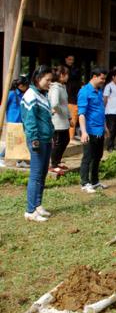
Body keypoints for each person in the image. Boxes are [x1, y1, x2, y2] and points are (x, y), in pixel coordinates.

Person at [21, 66, 54, 222]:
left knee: (42, 174)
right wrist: (34, 139)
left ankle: (37, 205)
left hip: (46, 138)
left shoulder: (43, 95)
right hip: (37, 140)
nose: (50, 83)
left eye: (50, 80)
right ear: (38, 78)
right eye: (47, 80)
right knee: (35, 175)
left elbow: (46, 119)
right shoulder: (30, 94)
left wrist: (51, 135)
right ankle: (30, 210)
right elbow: (30, 120)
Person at [78, 67, 109, 193]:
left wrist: (105, 127)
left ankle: (95, 181)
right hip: (90, 130)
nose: (103, 81)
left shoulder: (99, 91)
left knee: (98, 156)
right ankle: (85, 183)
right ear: (94, 76)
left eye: (104, 79)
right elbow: (81, 114)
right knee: (88, 157)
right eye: (102, 78)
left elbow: (101, 111)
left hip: (100, 130)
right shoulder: (84, 92)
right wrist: (84, 132)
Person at [0, 76, 29, 168]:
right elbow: (3, 106)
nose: (27, 87)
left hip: (22, 121)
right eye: (26, 85)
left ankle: (20, 161)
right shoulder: (11, 94)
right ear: (20, 86)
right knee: (11, 142)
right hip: (13, 122)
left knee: (21, 141)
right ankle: (0, 158)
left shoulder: (24, 94)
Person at [49, 66, 71, 175]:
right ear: (61, 75)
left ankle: (57, 161)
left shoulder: (63, 87)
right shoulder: (55, 88)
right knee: (58, 142)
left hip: (64, 120)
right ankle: (53, 164)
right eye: (67, 74)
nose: (68, 77)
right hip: (57, 120)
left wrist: (69, 116)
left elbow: (65, 104)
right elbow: (54, 104)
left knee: (65, 140)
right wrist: (63, 112)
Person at [64, 54, 82, 141]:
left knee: (74, 116)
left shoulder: (75, 69)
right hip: (68, 95)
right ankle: (69, 137)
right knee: (70, 117)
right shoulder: (64, 69)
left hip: (75, 94)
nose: (71, 61)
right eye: (69, 59)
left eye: (72, 59)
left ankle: (71, 135)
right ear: (65, 59)